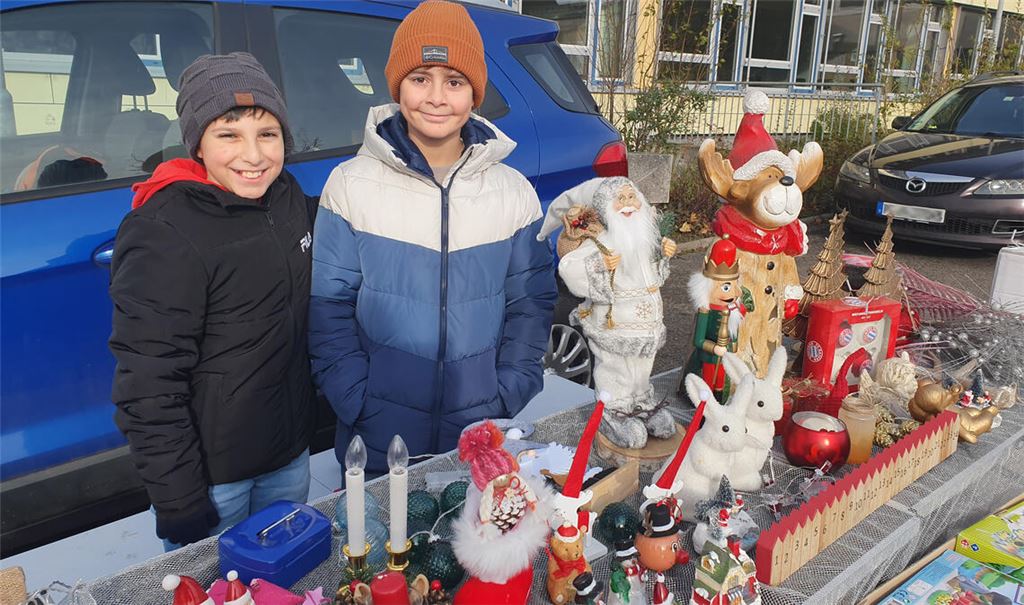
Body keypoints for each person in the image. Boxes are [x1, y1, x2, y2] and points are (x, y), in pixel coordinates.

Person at [310, 0, 556, 474]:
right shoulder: (350, 185)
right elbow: (329, 309)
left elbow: (531, 304)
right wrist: (356, 400)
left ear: (474, 93)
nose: (437, 97)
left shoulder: (513, 193)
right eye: (420, 78)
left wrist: (510, 390)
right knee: (380, 545)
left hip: (479, 433)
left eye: (455, 81)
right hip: (379, 433)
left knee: (472, 542)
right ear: (397, 84)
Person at [108, 52, 316, 548]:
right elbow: (149, 379)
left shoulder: (285, 198)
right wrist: (177, 496)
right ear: (197, 144)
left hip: (286, 458)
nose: (254, 155)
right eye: (229, 134)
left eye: (268, 134)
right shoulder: (166, 230)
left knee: (286, 579)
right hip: (215, 479)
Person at [546, 177, 677, 451]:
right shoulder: (599, 241)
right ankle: (613, 407)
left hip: (646, 320)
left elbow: (654, 272)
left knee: (643, 364)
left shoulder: (644, 236)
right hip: (614, 322)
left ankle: (640, 401)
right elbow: (568, 268)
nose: (628, 203)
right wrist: (599, 264)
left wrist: (663, 253)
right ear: (606, 207)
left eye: (632, 196)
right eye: (621, 198)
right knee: (615, 365)